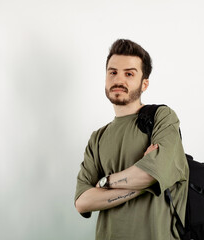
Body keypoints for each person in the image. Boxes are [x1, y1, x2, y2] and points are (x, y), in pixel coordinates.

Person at [74, 39, 189, 240]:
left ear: (144, 83)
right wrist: (145, 180)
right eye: (113, 72)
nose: (119, 80)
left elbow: (152, 175)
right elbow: (83, 201)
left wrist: (105, 183)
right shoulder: (98, 138)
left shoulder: (162, 118)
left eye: (129, 74)